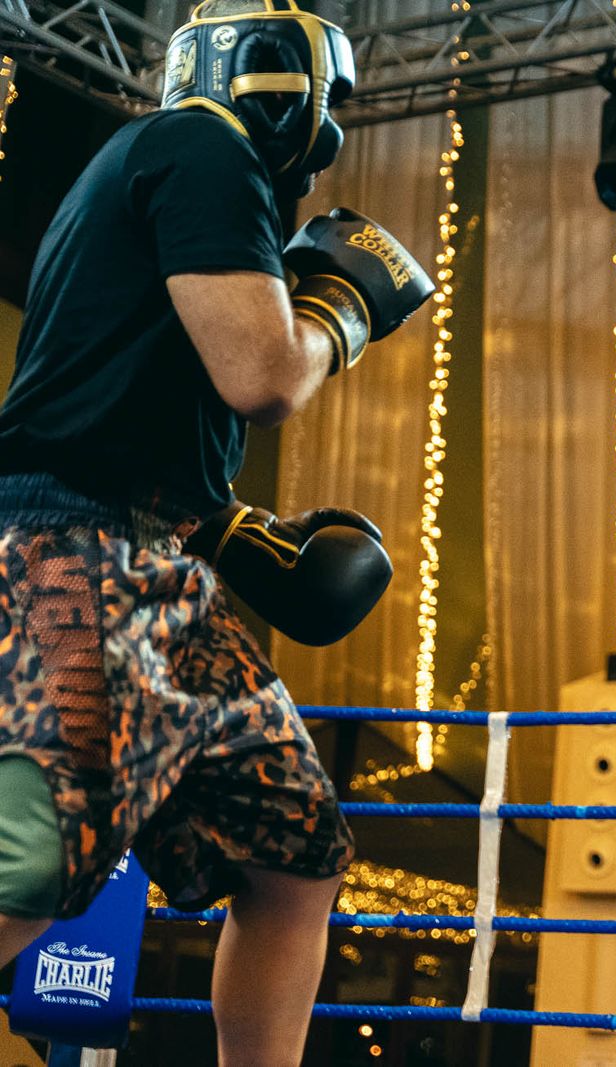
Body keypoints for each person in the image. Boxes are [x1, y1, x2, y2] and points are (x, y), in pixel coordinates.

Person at [0, 0, 431, 1062]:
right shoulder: (206, 146)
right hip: (80, 554)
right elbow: (265, 377)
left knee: (296, 855)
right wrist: (340, 311)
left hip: (155, 563)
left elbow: (127, 398)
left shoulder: (149, 159)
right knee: (32, 865)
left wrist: (229, 526)